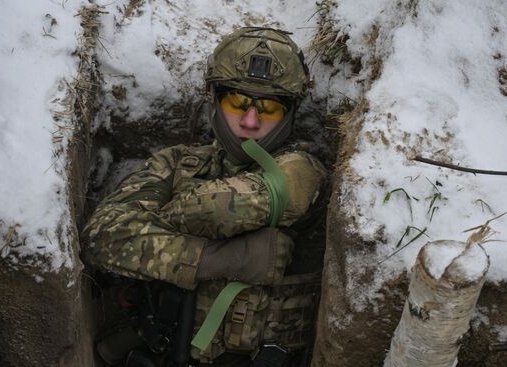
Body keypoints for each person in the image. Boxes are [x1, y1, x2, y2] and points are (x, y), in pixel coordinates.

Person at [82, 27, 329, 367]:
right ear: (213, 97)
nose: (251, 121)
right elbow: (101, 238)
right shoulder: (176, 164)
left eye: (269, 109)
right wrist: (226, 258)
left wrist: (156, 228)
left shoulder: (302, 171)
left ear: (290, 115)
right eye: (238, 102)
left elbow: (217, 209)